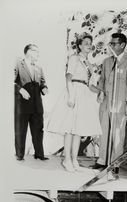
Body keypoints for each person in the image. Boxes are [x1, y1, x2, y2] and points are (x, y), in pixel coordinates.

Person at [47, 34, 102, 172]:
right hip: (74, 91)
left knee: (79, 130)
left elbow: (90, 85)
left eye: (90, 43)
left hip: (84, 94)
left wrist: (101, 91)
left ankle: (74, 158)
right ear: (79, 46)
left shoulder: (89, 63)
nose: (89, 45)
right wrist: (71, 96)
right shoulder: (74, 58)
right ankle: (66, 160)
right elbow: (68, 77)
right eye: (86, 43)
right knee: (69, 129)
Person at [94, 33, 127, 171]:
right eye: (110, 43)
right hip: (106, 102)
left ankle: (115, 163)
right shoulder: (107, 61)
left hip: (120, 104)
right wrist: (100, 91)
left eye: (113, 43)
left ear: (122, 45)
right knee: (104, 131)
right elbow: (103, 80)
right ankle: (102, 160)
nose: (110, 46)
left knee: (118, 134)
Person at [14, 44, 49, 161]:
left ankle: (39, 154)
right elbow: (10, 80)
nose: (38, 54)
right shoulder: (18, 64)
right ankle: (19, 155)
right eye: (36, 52)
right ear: (29, 52)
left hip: (37, 104)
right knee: (20, 130)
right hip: (22, 104)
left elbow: (43, 82)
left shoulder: (39, 68)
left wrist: (44, 88)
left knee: (38, 130)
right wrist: (20, 89)